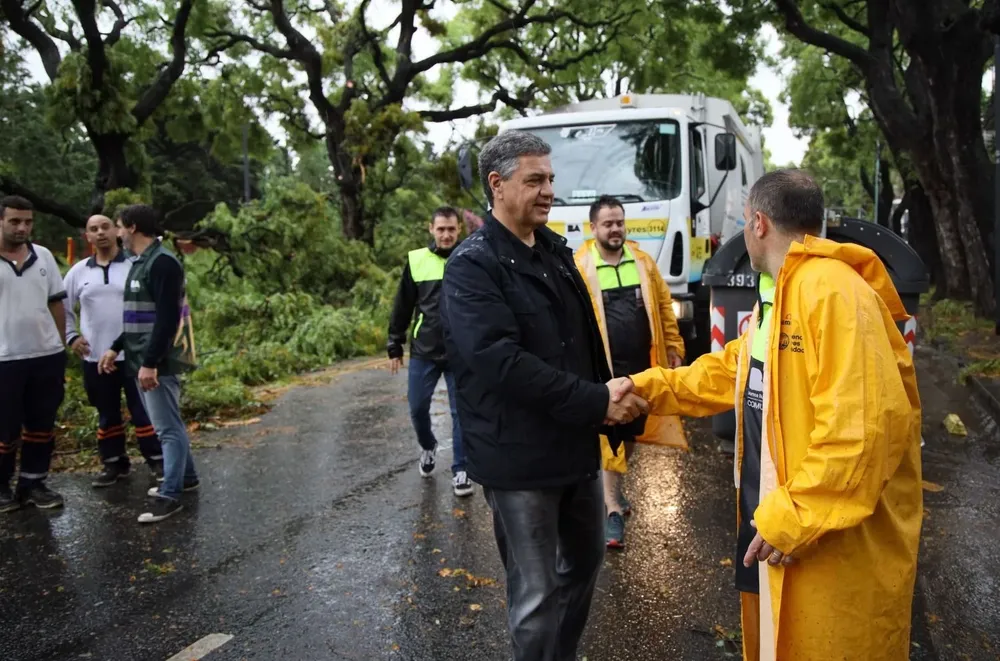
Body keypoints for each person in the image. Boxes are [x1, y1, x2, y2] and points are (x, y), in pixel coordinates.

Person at [611, 169, 922, 661]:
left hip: (820, 541)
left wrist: (788, 518)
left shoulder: (835, 293)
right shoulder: (776, 297)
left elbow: (862, 432)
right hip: (779, 525)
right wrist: (645, 387)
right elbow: (730, 371)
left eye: (741, 221)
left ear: (757, 223)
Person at [441, 130, 648, 661]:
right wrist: (596, 401)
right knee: (535, 595)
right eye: (535, 180)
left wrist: (611, 412)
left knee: (583, 566)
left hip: (574, 448)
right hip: (519, 460)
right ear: (497, 184)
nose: (548, 190)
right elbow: (501, 363)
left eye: (550, 178)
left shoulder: (555, 250)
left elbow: (583, 343)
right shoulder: (471, 265)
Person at [574, 195, 686, 549]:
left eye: (619, 222)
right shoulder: (580, 265)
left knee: (632, 433)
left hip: (642, 367)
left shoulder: (642, 261)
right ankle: (611, 510)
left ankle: (614, 495)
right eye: (608, 223)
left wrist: (673, 345)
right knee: (610, 436)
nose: (615, 229)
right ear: (593, 229)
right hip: (605, 370)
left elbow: (664, 306)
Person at [97, 205, 199, 524]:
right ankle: (187, 478)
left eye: (118, 226)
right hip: (141, 357)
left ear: (132, 227)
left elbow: (168, 320)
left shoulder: (163, 263)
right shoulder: (141, 262)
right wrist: (116, 348)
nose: (116, 232)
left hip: (158, 362)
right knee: (169, 424)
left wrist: (151, 364)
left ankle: (170, 494)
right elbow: (138, 316)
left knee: (167, 429)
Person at [64, 214, 164, 487]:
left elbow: (152, 305)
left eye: (106, 227)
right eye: (93, 229)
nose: (100, 233)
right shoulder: (78, 272)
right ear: (88, 237)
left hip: (134, 355)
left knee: (143, 411)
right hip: (95, 356)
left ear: (117, 231)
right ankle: (114, 464)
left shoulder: (135, 265)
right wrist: (71, 336)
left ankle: (156, 460)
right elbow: (61, 308)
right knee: (107, 413)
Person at [387, 206, 472, 497]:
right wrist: (394, 343)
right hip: (424, 350)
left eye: (451, 229)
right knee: (417, 407)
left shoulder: (469, 257)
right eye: (441, 229)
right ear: (431, 229)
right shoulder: (416, 260)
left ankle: (461, 469)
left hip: (460, 351)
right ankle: (428, 446)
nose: (446, 234)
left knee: (461, 412)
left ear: (458, 229)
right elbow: (402, 305)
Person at [0, 195, 68, 512]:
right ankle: (1, 487)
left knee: (41, 424)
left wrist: (61, 343)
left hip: (45, 356)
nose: (22, 227)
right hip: (5, 358)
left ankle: (33, 483)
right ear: (1, 220)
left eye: (27, 221)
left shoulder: (43, 256)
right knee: (5, 427)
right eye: (14, 221)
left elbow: (56, 302)